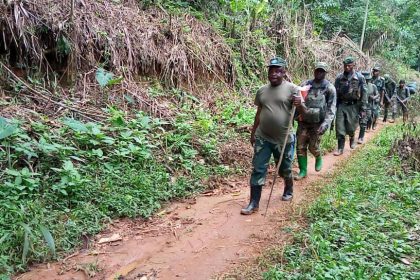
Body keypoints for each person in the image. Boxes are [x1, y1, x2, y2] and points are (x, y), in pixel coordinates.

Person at [241, 57, 304, 215]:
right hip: (263, 137)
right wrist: (253, 131)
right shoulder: (262, 90)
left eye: (278, 71)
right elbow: (259, 113)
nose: (274, 74)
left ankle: (288, 189)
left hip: (284, 140)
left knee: (285, 168)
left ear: (284, 72)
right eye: (271, 70)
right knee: (258, 169)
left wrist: (300, 104)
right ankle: (253, 203)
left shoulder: (293, 89)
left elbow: (304, 114)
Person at [295, 62, 336, 180]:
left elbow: (331, 108)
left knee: (313, 147)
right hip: (303, 122)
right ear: (314, 71)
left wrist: (326, 124)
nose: (319, 73)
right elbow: (299, 100)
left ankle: (318, 156)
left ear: (325, 73)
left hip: (318, 123)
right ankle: (303, 170)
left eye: (322, 71)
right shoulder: (305, 85)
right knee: (300, 146)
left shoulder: (329, 88)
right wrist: (296, 116)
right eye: (317, 70)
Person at [333, 56, 368, 156]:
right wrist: (333, 105)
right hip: (341, 105)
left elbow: (364, 93)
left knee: (351, 127)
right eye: (345, 65)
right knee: (339, 126)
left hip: (354, 106)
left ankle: (352, 138)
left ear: (353, 65)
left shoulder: (360, 77)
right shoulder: (339, 78)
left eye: (349, 65)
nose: (347, 67)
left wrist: (363, 107)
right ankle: (340, 148)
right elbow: (335, 92)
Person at [359, 71, 379, 143]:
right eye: (365, 79)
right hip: (358, 106)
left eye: (367, 79)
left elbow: (377, 94)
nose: (366, 80)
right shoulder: (358, 86)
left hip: (368, 106)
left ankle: (361, 137)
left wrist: (374, 97)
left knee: (364, 121)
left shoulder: (373, 86)